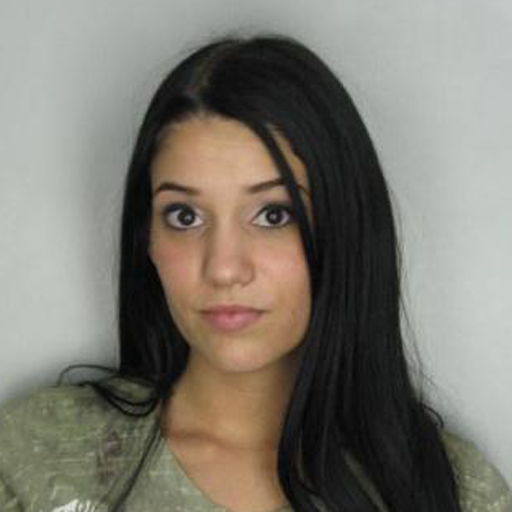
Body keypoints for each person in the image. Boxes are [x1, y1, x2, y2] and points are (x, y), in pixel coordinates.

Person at [0, 31, 510, 512]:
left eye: (273, 215)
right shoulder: (34, 460)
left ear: (345, 230)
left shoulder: (455, 494)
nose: (224, 268)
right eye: (185, 217)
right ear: (147, 241)